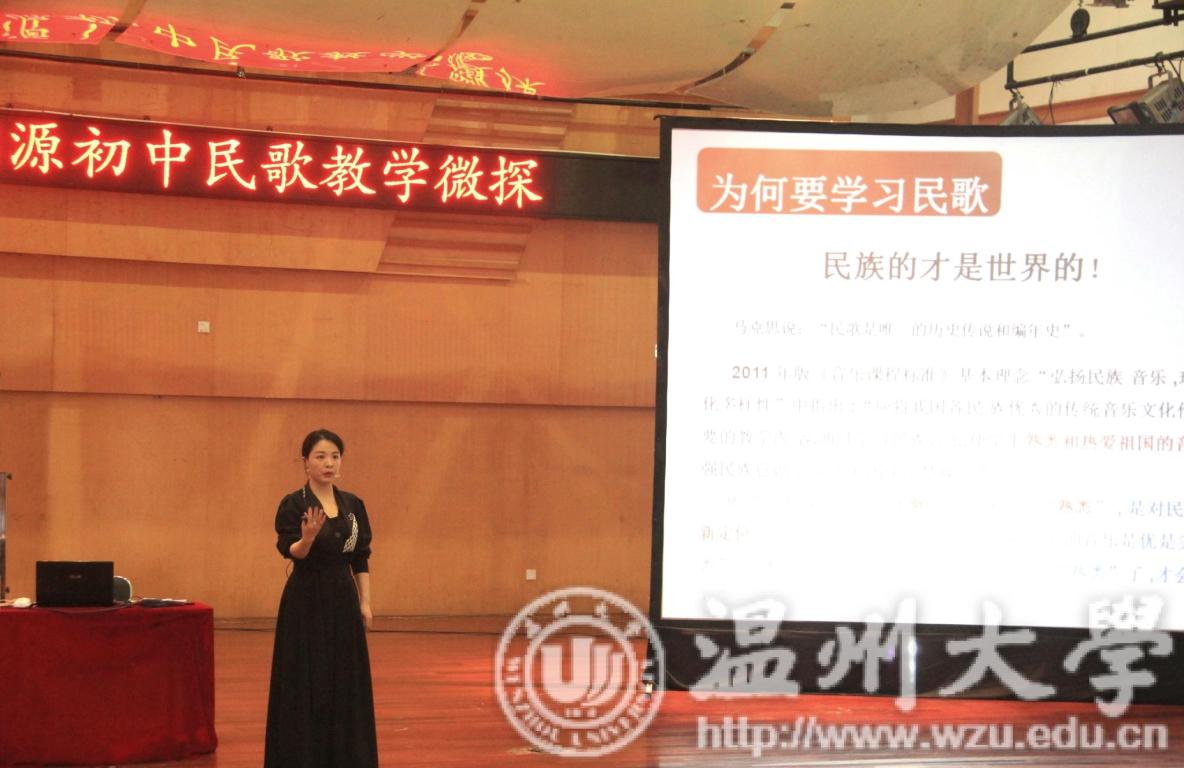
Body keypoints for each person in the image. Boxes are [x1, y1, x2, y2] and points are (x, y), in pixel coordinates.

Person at [265, 429, 378, 767]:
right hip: (306, 600)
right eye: (321, 456)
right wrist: (308, 539)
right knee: (306, 679)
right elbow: (292, 552)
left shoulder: (353, 506)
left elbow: (361, 557)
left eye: (335, 456)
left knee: (344, 679)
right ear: (306, 463)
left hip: (343, 599)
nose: (329, 463)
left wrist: (365, 602)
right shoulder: (294, 504)